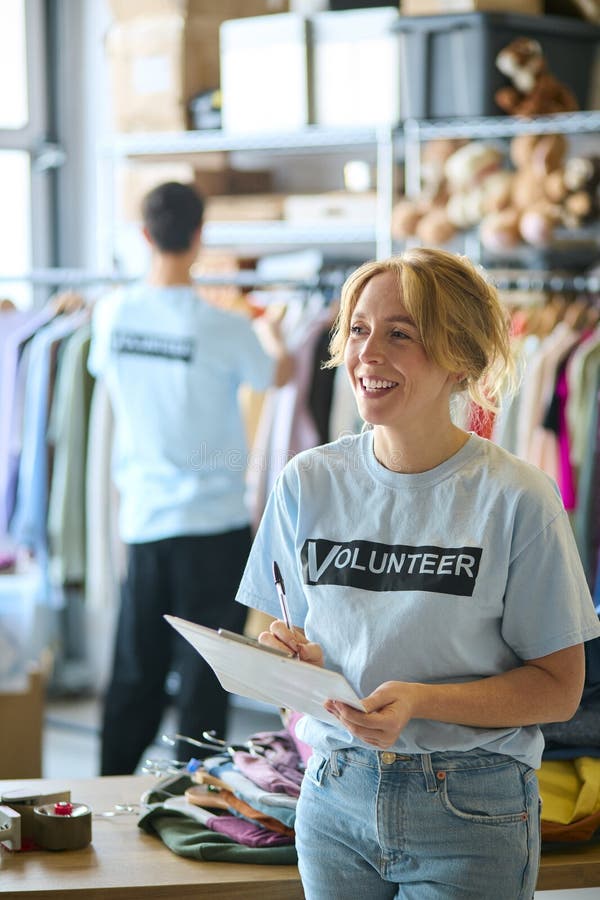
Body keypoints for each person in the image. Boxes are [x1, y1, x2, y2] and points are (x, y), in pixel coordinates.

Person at [235, 247, 600, 900]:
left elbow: (559, 690)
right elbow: (278, 629)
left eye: (399, 334)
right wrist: (293, 663)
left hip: (469, 806)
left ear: (459, 356)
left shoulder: (517, 498)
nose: (366, 354)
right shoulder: (307, 482)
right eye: (358, 329)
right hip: (333, 792)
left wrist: (420, 701)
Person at [88, 181, 292, 775]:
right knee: (205, 675)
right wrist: (274, 329)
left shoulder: (111, 315)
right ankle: (192, 795)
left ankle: (105, 793)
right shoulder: (224, 326)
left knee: (135, 670)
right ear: (200, 236)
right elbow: (276, 373)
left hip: (146, 520)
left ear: (146, 235)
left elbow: (108, 373)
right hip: (214, 523)